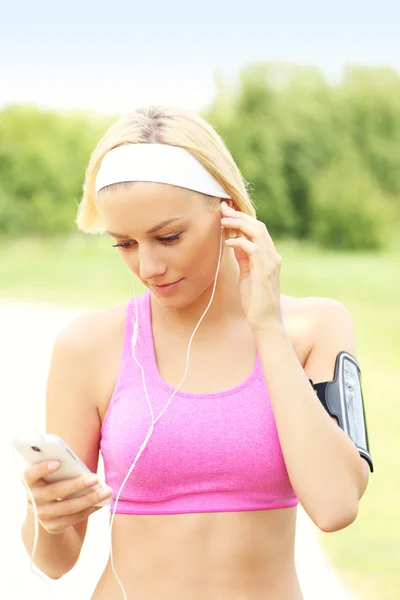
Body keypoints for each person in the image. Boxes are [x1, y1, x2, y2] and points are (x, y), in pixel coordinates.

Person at [20, 105, 371, 600]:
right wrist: (47, 516)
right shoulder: (87, 347)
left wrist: (266, 326)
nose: (149, 265)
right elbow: (52, 563)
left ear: (227, 210)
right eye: (124, 243)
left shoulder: (313, 328)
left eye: (168, 237)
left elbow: (336, 506)